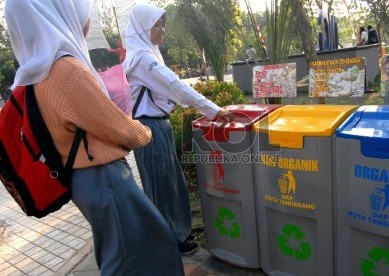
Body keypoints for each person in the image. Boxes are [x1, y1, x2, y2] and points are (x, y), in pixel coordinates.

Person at [5, 1, 184, 275]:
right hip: (104, 177)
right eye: (81, 12)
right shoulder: (66, 69)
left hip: (83, 179)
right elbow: (120, 129)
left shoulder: (35, 72)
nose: (87, 21)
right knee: (138, 253)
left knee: (123, 250)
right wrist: (147, 132)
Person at [123, 3, 233, 255]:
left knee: (171, 182)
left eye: (163, 25)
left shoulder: (146, 53)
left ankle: (177, 233)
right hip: (148, 128)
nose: (162, 30)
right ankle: (170, 241)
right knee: (161, 184)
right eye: (156, 25)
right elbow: (175, 85)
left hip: (157, 126)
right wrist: (214, 110)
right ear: (142, 28)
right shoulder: (142, 59)